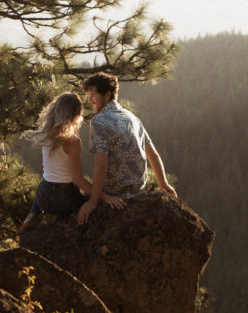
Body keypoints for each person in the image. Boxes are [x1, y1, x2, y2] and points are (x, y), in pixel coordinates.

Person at [77, 72, 177, 224]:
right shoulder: (132, 117)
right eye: (89, 96)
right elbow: (153, 155)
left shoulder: (99, 122)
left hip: (114, 193)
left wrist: (93, 201)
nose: (90, 101)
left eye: (93, 95)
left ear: (108, 94)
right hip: (137, 191)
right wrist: (163, 184)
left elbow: (100, 164)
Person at [20, 91, 124, 232]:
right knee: (89, 204)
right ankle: (59, 225)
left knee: (45, 181)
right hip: (64, 198)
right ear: (76, 115)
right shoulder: (73, 141)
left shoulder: (45, 133)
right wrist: (105, 197)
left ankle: (31, 216)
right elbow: (78, 180)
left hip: (43, 198)